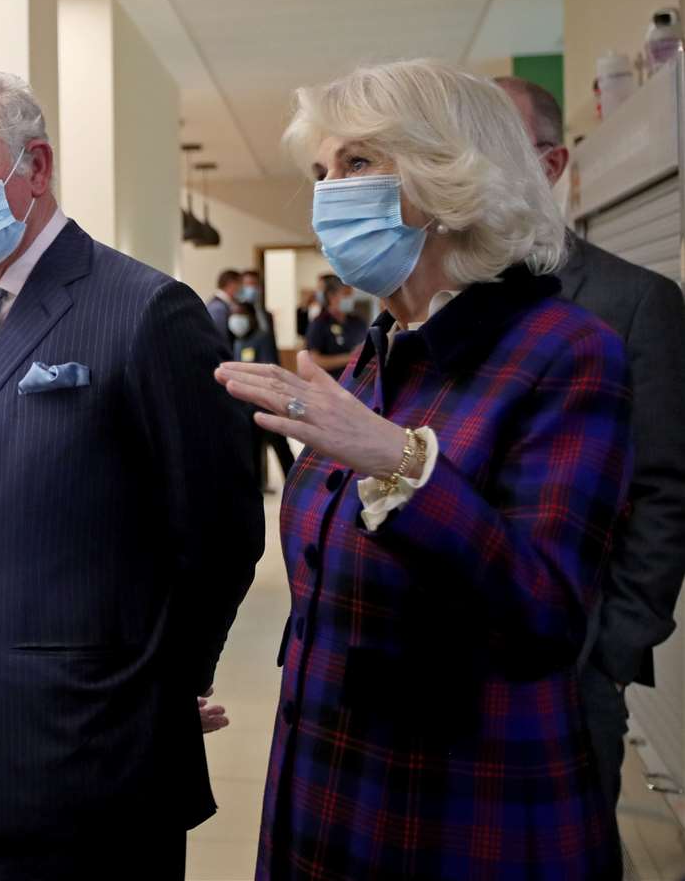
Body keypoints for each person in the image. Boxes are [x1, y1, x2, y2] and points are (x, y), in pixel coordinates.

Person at [218, 59, 632, 879]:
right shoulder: (383, 354)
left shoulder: (567, 353)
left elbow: (545, 612)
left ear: (451, 177)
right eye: (322, 170)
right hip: (328, 785)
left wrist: (399, 461)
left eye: (358, 164)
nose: (329, 192)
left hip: (459, 805)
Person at [0, 67, 264, 880]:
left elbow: (221, 531)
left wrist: (159, 694)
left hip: (92, 764)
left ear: (37, 167)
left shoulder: (143, 312)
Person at [497, 75, 685, 814]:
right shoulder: (439, 300)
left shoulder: (633, 303)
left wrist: (610, 653)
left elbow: (665, 486)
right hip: (456, 660)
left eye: (493, 145)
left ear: (550, 166)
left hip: (572, 666)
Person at [230, 302, 294, 490]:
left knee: (281, 448)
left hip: (266, 406)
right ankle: (257, 488)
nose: (235, 320)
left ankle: (294, 485)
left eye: (240, 314)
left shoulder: (262, 338)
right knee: (253, 451)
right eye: (233, 314)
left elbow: (269, 371)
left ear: (250, 317)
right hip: (247, 409)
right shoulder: (239, 342)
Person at [303, 276, 367, 373]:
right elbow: (315, 360)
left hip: (355, 382)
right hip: (330, 382)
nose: (350, 299)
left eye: (351, 295)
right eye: (346, 294)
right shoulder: (319, 323)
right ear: (331, 296)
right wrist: (350, 358)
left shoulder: (358, 322)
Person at [206, 268, 242, 346]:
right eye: (240, 284)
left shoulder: (227, 304)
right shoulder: (217, 308)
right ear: (231, 284)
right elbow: (220, 338)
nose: (241, 288)